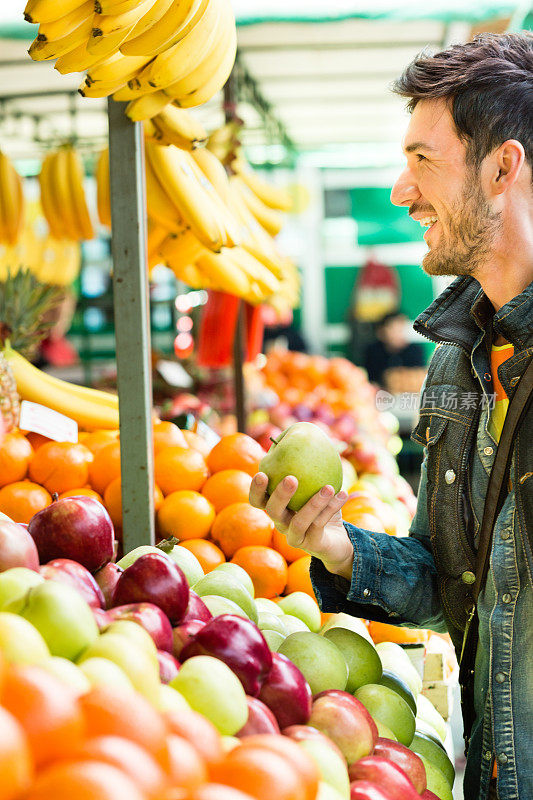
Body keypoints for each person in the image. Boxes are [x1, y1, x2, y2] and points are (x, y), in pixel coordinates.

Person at [250, 32, 533, 800]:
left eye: (421, 160)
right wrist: (341, 549)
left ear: (502, 168)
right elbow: (455, 582)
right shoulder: (456, 363)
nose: (399, 191)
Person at [363, 311, 426, 386]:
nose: (399, 334)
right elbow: (371, 380)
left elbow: (419, 377)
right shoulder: (373, 351)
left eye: (401, 329)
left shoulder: (415, 351)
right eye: (395, 329)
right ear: (381, 332)